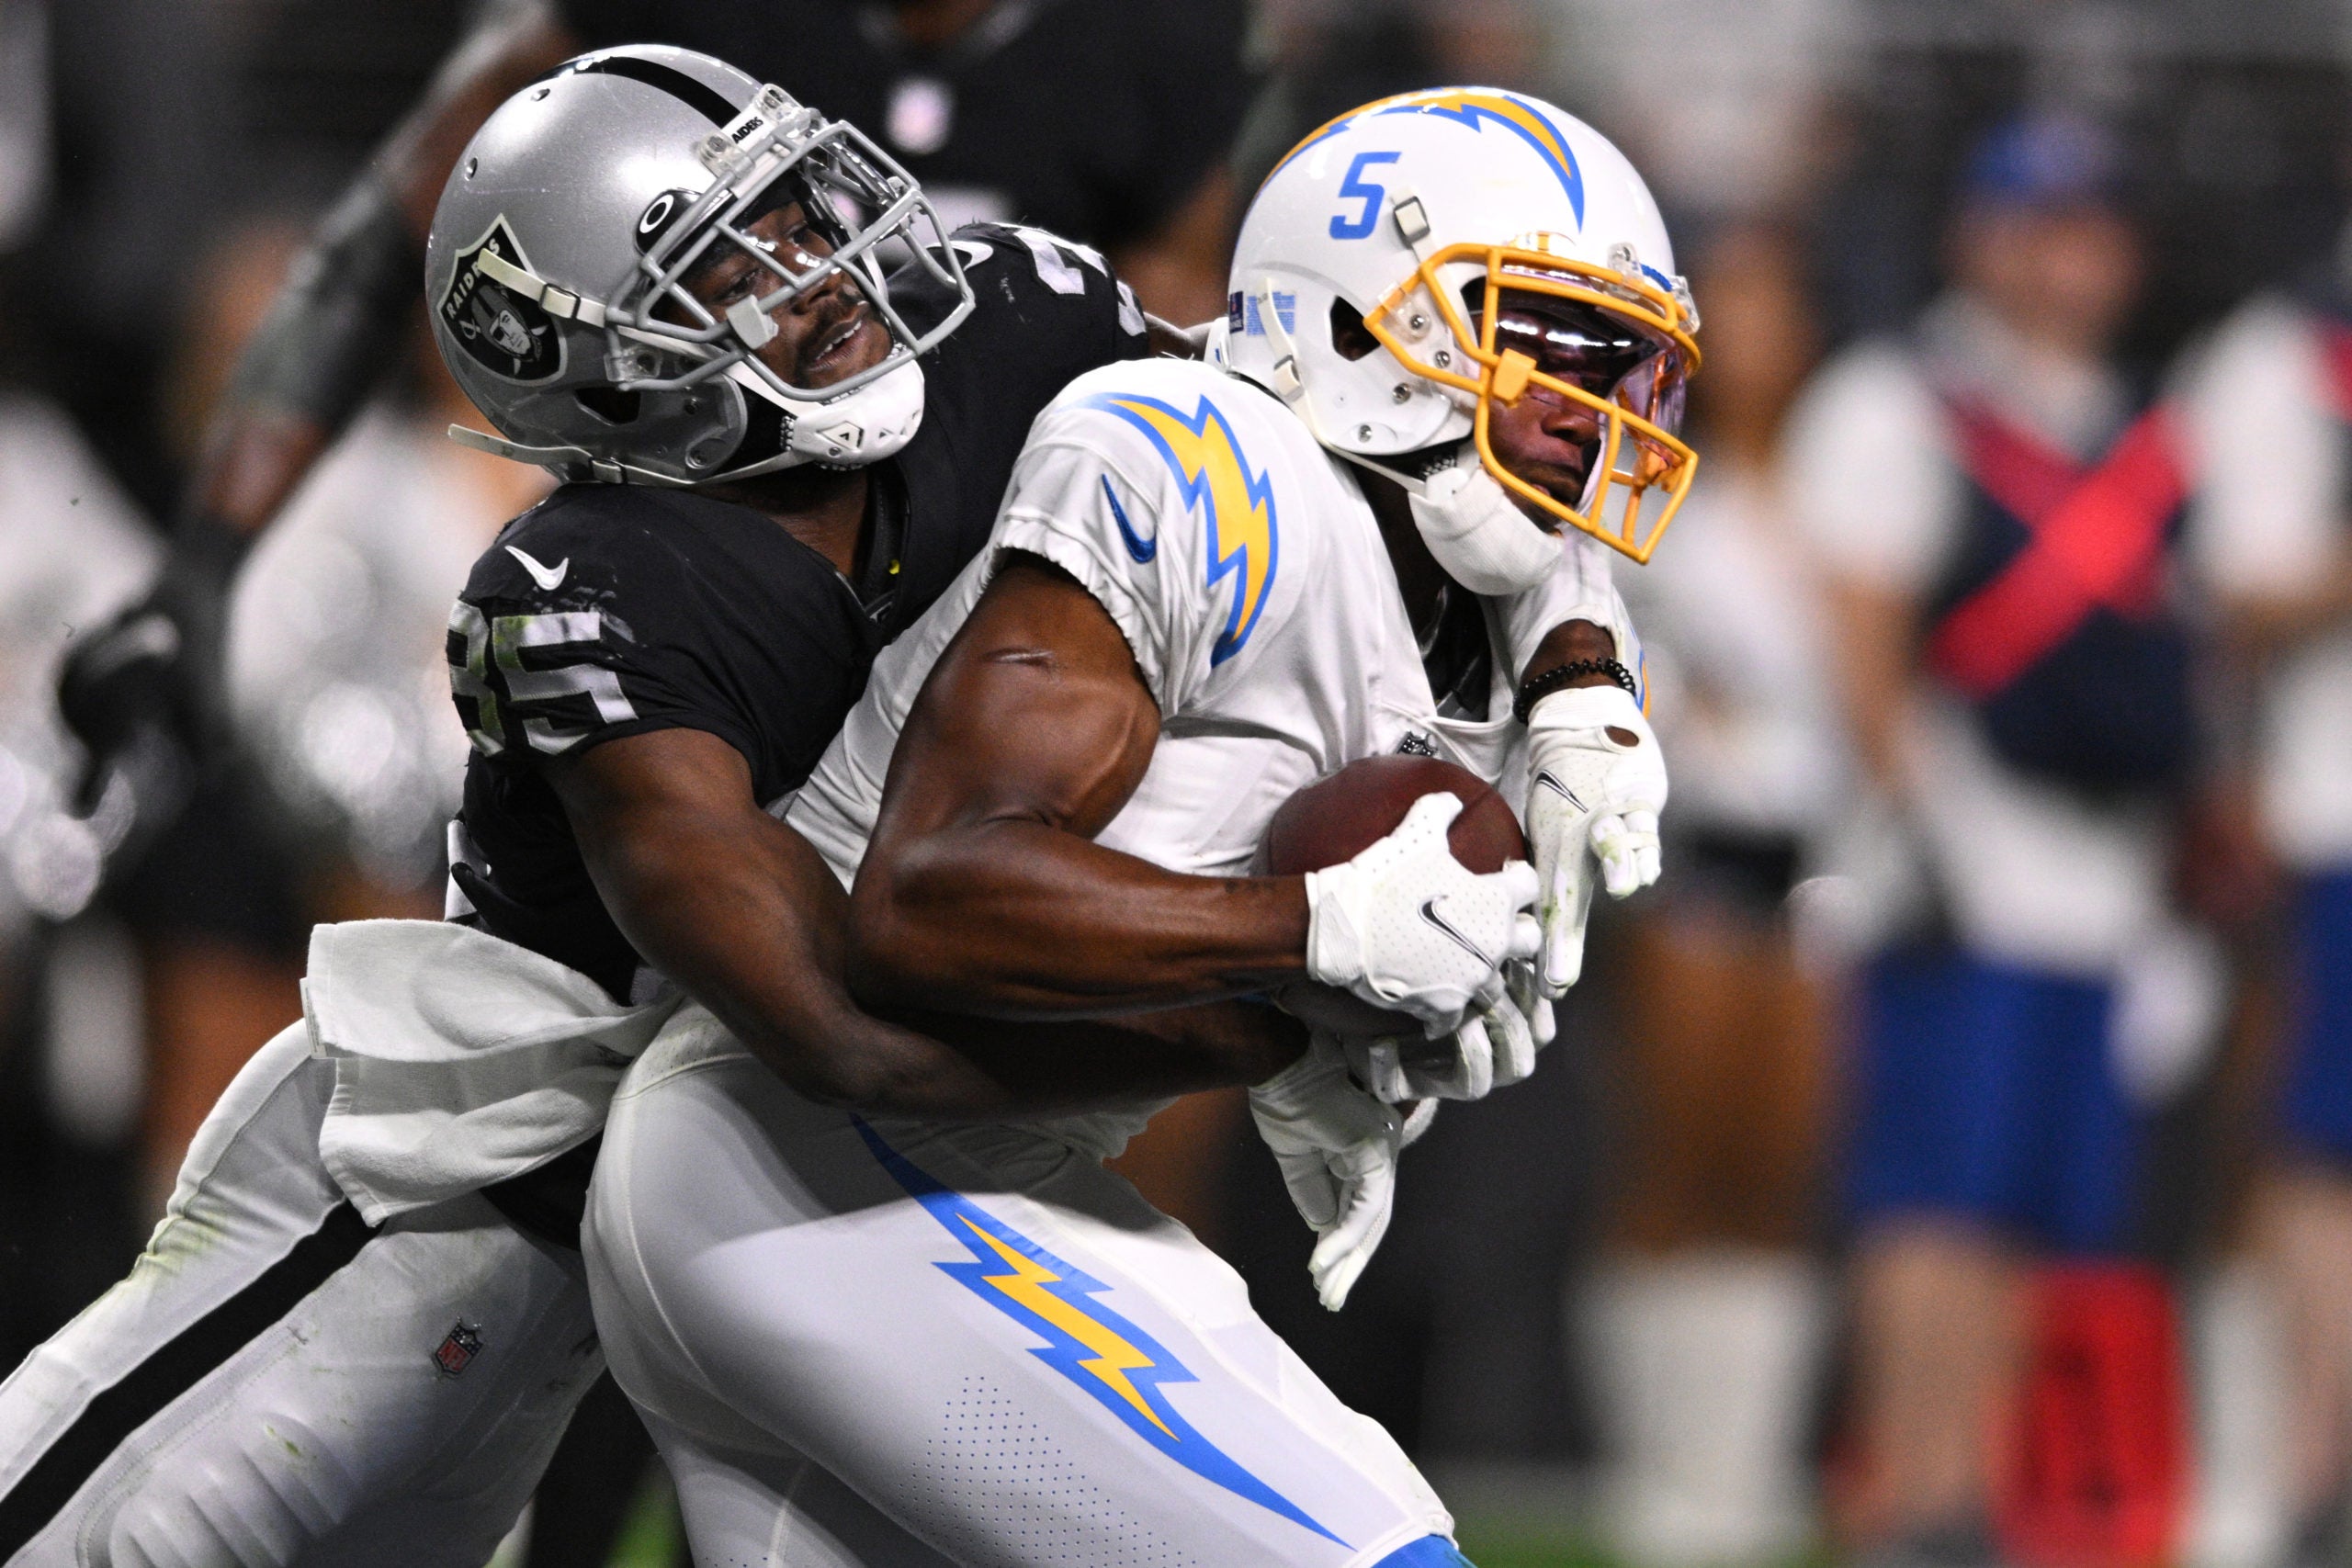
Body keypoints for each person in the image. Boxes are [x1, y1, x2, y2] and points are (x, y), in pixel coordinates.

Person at [0, 47, 1245, 1567]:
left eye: (803, 214)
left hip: (657, 1246)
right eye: (733, 257)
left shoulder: (1018, 327)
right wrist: (1268, 1003)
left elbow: (1291, 494)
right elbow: (833, 1031)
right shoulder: (597, 586)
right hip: (415, 1219)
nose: (822, 271)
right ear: (595, 352)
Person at [583, 85, 1698, 1565]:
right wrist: (1312, 939)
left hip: (861, 1184)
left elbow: (1547, 590)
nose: (1599, 414)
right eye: (1556, 346)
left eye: (1629, 368)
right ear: (1371, 319)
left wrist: (1577, 692)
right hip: (826, 1153)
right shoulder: (1204, 459)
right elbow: (924, 902)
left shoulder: (1493, 590)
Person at [56, 0, 1247, 867]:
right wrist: (206, 564)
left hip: (994, 542)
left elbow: (1158, 409)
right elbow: (416, 235)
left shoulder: (1157, 46)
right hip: (696, 530)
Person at [1781, 111, 2192, 1556]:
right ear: (1981, 235)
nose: (2073, 257)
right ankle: (1907, 1489)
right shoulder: (1906, 399)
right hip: (1967, 863)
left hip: (2101, 880)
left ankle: (1976, 1504)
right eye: (2043, 223)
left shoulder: (2136, 425)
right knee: (1932, 1199)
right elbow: (1859, 627)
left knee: (2032, 1210)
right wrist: (1906, 830)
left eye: (2096, 226)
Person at [2182, 220, 2352, 1561]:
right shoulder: (2287, 358)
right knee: (2311, 1158)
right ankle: (2300, 1478)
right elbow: (2228, 591)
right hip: (2322, 817)